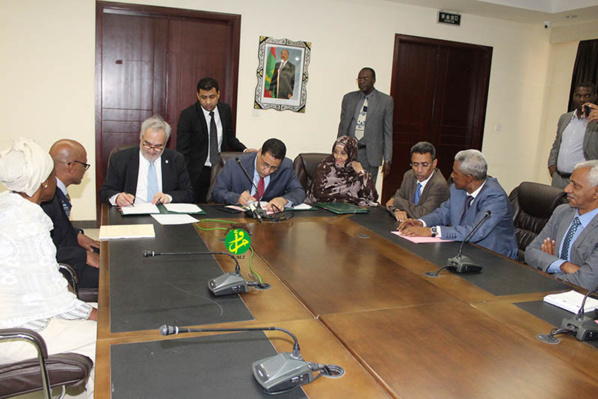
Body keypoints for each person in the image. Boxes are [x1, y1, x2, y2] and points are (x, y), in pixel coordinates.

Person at [0, 138, 97, 398]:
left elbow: (45, 285)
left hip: (18, 318)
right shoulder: (29, 222)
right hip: (16, 336)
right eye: (52, 175)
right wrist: (100, 317)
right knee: (109, 338)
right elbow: (62, 305)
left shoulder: (7, 205)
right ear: (44, 183)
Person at [398, 149, 518, 259]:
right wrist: (420, 222)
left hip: (494, 258)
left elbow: (475, 232)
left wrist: (432, 231)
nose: (452, 175)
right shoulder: (457, 189)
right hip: (462, 251)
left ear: (469, 178)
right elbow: (443, 213)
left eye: (455, 173)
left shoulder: (495, 197)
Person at [177, 77, 255, 203]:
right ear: (197, 95)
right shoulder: (188, 115)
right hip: (198, 172)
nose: (208, 102)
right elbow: (182, 150)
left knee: (218, 205)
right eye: (203, 97)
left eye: (212, 97)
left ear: (218, 94)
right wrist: (184, 176)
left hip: (220, 169)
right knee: (198, 207)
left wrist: (244, 150)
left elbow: (230, 138)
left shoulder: (225, 110)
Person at [525, 160, 598, 289]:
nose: (566, 189)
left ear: (595, 192)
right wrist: (563, 265)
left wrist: (549, 266)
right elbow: (530, 252)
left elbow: (587, 282)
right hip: (549, 290)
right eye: (570, 182)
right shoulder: (562, 212)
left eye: (575, 185)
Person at [41, 139, 100, 289]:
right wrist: (84, 256)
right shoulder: (46, 197)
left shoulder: (56, 192)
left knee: (109, 252)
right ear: (72, 165)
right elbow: (42, 247)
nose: (85, 171)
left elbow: (57, 228)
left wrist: (77, 235)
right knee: (117, 273)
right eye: (84, 165)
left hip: (68, 251)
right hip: (62, 267)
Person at [100, 115, 194, 206]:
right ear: (141, 136)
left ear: (166, 143)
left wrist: (168, 197)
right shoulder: (121, 158)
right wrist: (117, 198)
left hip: (164, 215)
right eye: (147, 144)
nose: (151, 150)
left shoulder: (176, 159)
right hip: (133, 213)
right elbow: (105, 191)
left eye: (158, 146)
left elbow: (188, 193)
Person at [210, 138, 305, 211]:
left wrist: (283, 200)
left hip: (269, 222)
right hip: (237, 221)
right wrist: (237, 198)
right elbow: (216, 193)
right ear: (259, 152)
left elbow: (299, 192)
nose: (267, 171)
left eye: (273, 167)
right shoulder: (236, 164)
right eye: (265, 164)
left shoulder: (286, 167)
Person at [338, 67, 393, 184]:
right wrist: (338, 150)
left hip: (371, 154)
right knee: (345, 187)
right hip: (350, 152)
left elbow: (388, 132)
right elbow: (342, 126)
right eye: (359, 78)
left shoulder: (385, 101)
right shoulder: (348, 98)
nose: (361, 81)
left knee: (367, 190)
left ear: (373, 80)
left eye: (365, 78)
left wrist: (387, 159)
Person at [548, 82, 598, 189]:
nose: (582, 99)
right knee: (558, 206)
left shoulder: (596, 121)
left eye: (587, 95)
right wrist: (552, 167)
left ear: (595, 97)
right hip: (559, 179)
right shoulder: (565, 118)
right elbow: (557, 145)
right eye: (578, 95)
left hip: (582, 183)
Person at [385, 142, 449, 222]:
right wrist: (397, 211)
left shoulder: (439, 184)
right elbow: (393, 200)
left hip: (428, 229)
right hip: (408, 226)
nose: (419, 170)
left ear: (434, 163)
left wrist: (397, 201)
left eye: (425, 165)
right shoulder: (409, 175)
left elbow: (421, 214)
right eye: (415, 164)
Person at [305, 136, 378, 206]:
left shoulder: (355, 170)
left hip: (349, 211)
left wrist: (362, 173)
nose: (338, 157)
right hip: (322, 211)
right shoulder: (324, 168)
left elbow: (372, 198)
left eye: (343, 153)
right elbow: (318, 195)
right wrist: (350, 198)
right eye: (335, 152)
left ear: (351, 154)